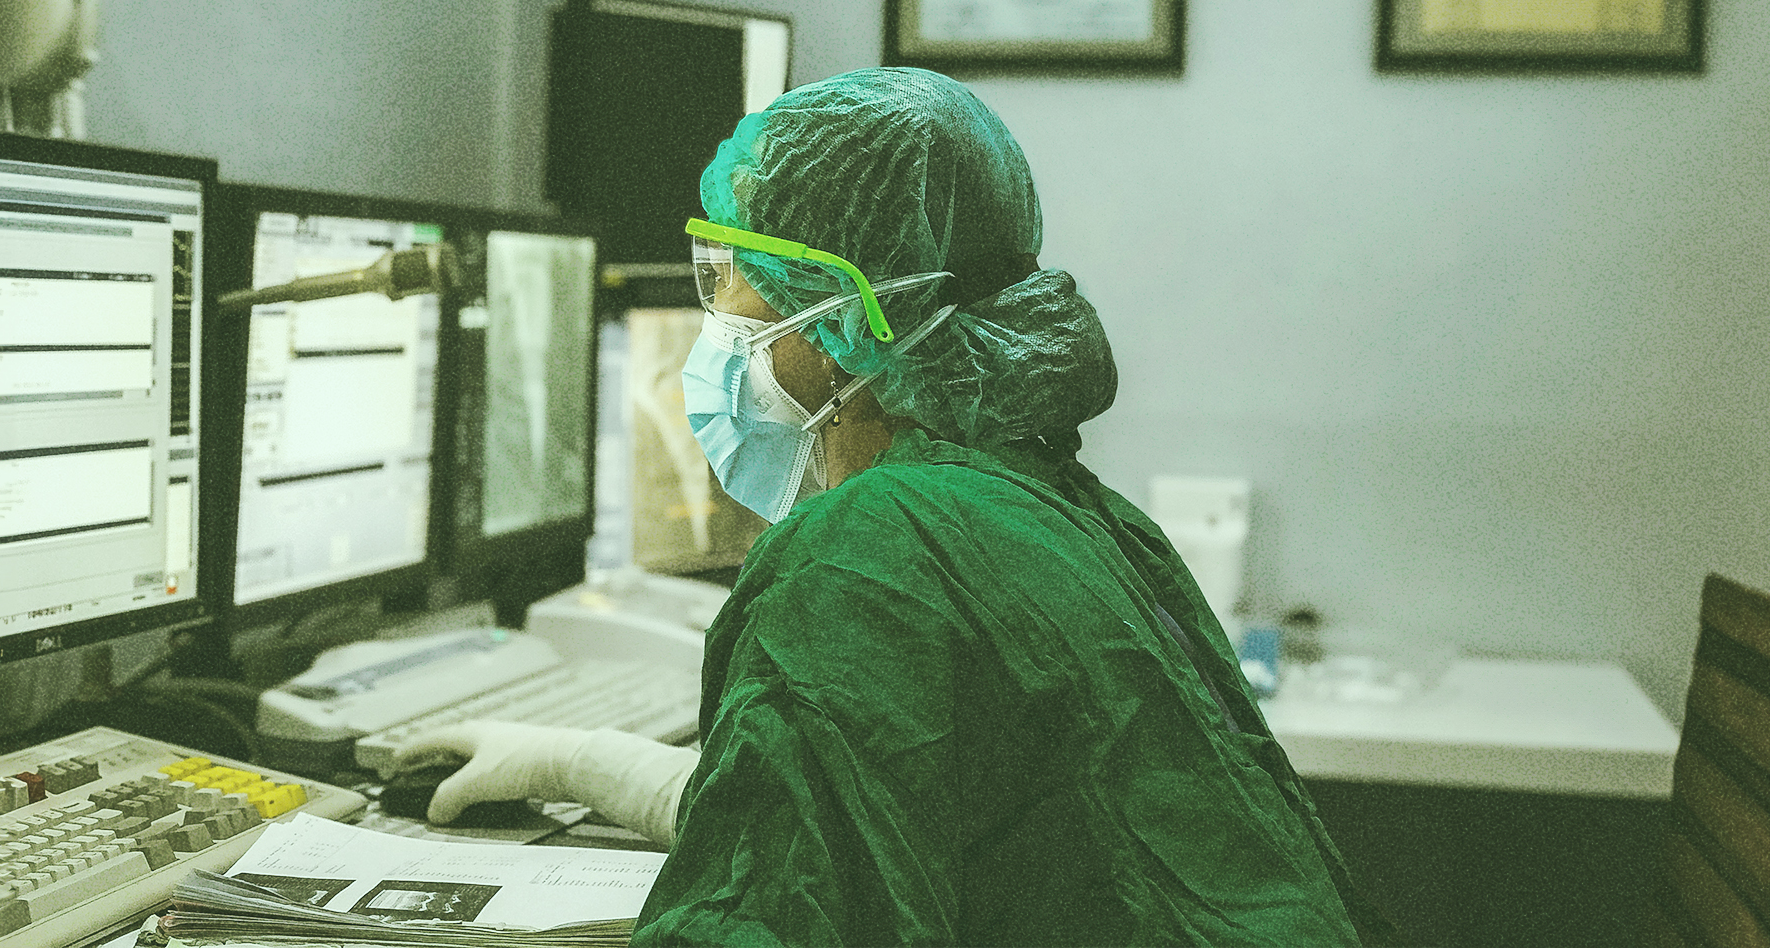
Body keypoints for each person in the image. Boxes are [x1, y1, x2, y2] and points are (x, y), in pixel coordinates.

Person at [392, 67, 1405, 946]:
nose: (717, 318)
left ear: (841, 319)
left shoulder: (866, 553)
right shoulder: (1070, 512)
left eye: (731, 275)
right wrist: (583, 760)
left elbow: (768, 913)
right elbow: (908, 822)